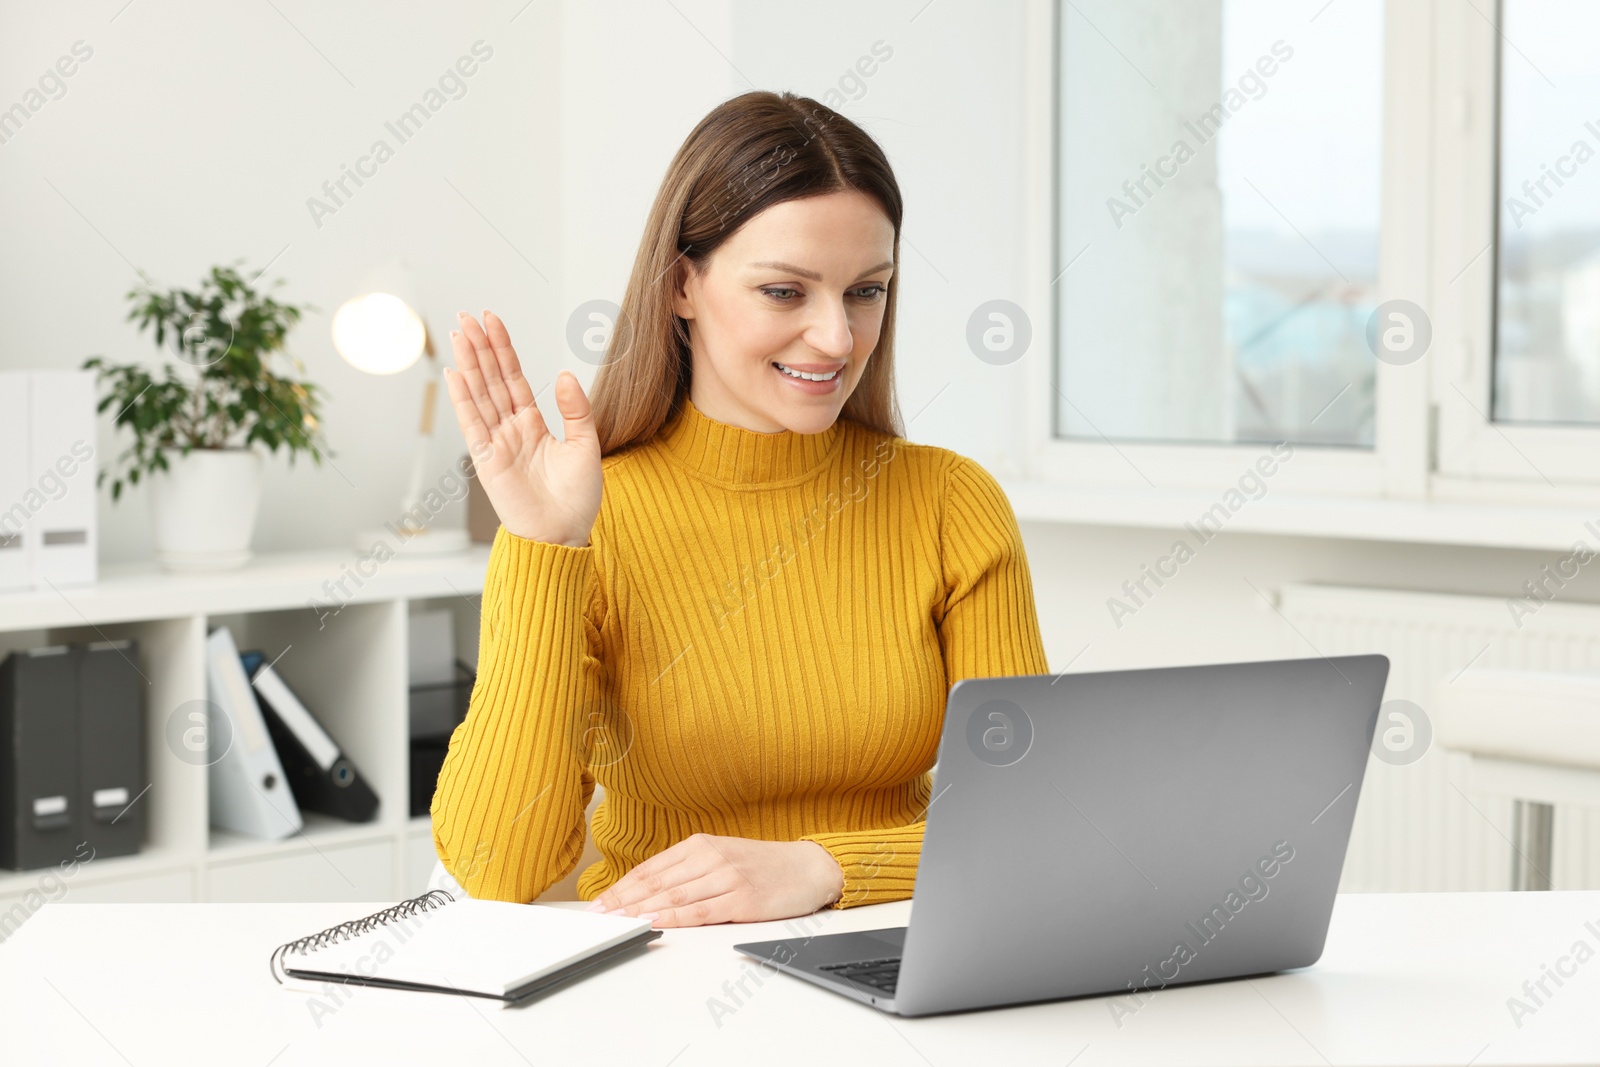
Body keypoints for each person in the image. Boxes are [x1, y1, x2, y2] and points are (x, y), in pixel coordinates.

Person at [432, 89, 1047, 928]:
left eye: (866, 291)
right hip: (667, 981)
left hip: (904, 951)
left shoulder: (949, 503)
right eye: (786, 293)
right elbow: (493, 866)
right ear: (683, 285)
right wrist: (545, 546)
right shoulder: (591, 516)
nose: (837, 338)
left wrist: (824, 866)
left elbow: (1032, 819)